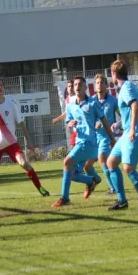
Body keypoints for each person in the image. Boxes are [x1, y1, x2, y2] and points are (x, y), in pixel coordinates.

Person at [0, 78, 49, 200]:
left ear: (4, 87)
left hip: (11, 142)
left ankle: (40, 188)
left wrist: (28, 141)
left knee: (24, 163)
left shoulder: (11, 104)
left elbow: (21, 124)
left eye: (1, 85)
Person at [52, 76, 116, 207]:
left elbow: (104, 120)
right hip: (80, 142)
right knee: (73, 174)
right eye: (75, 84)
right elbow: (68, 122)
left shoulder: (93, 103)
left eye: (80, 84)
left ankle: (65, 198)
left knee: (66, 162)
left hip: (89, 143)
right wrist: (70, 123)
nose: (77, 86)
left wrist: (112, 138)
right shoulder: (70, 106)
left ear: (86, 87)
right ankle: (92, 180)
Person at [107, 60, 138, 211]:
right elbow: (129, 110)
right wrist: (119, 124)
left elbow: (134, 106)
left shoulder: (126, 87)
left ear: (114, 74)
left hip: (135, 132)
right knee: (111, 162)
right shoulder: (126, 87)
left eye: (111, 73)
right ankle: (122, 201)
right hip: (127, 131)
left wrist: (132, 129)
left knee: (128, 168)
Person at [91, 73, 119, 195]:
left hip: (107, 136)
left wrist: (117, 124)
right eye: (97, 83)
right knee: (97, 163)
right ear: (94, 85)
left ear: (106, 85)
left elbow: (123, 116)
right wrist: (93, 124)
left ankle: (113, 188)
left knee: (102, 158)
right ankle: (103, 182)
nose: (99, 85)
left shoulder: (113, 100)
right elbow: (88, 119)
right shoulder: (91, 101)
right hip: (94, 137)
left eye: (102, 83)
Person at [53, 80, 78, 149]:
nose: (70, 88)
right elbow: (67, 112)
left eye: (72, 86)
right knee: (73, 147)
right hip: (74, 128)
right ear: (67, 89)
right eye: (69, 86)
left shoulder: (78, 97)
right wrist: (57, 119)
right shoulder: (67, 99)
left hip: (81, 127)